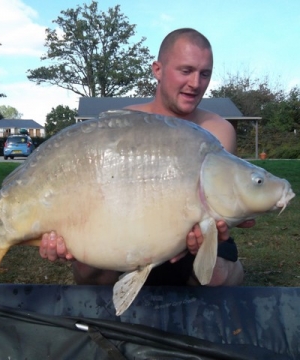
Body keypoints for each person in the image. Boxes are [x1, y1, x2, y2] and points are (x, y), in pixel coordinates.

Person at [39, 28, 254, 287]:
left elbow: (222, 206)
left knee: (220, 279)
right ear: (158, 70)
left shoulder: (218, 130)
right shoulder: (124, 124)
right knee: (87, 269)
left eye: (204, 73)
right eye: (185, 71)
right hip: (131, 235)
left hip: (195, 239)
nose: (195, 83)